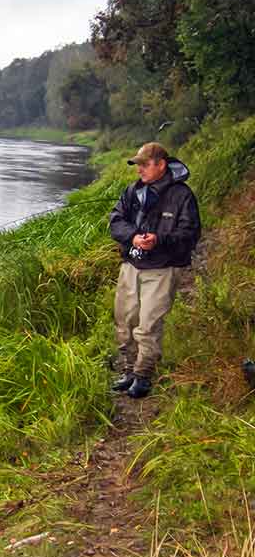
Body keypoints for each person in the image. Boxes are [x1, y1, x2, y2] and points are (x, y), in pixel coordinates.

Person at [109, 142, 200, 399]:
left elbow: (190, 233)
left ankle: (143, 375)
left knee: (148, 324)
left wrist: (158, 240)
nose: (139, 170)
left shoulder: (182, 195)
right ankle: (129, 370)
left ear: (161, 165)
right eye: (137, 165)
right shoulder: (132, 191)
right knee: (125, 321)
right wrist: (134, 237)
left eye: (144, 165)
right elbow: (115, 221)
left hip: (163, 269)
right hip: (131, 265)